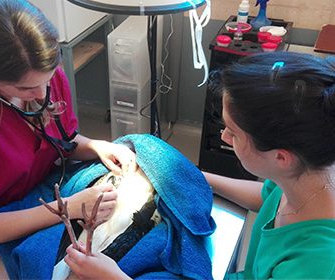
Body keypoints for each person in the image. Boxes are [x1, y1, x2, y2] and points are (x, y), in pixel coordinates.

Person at [64, 51, 335, 279]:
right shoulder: (308, 175)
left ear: (281, 157)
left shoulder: (316, 266)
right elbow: (268, 197)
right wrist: (194, 176)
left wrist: (114, 277)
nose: (223, 137)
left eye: (233, 133)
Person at [0, 0, 137, 260]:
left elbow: (63, 141)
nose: (41, 94)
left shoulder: (47, 77)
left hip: (44, 193)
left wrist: (96, 146)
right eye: (24, 89)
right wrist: (69, 207)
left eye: (47, 80)